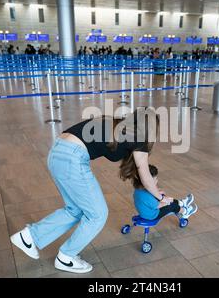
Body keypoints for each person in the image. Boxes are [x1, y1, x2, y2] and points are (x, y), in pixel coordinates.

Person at [11, 108, 163, 274]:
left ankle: (29, 237)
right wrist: (159, 196)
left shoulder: (115, 124)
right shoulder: (139, 137)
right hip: (72, 157)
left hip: (56, 152)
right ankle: (66, 257)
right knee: (98, 214)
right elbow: (147, 178)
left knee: (75, 210)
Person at [133, 164, 198, 221]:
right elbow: (158, 205)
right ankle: (185, 212)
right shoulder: (147, 197)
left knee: (166, 198)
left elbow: (150, 193)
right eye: (155, 179)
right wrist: (166, 202)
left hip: (146, 210)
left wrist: (158, 192)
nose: (157, 180)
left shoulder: (138, 189)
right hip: (152, 215)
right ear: (148, 182)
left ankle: (181, 203)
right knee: (171, 206)